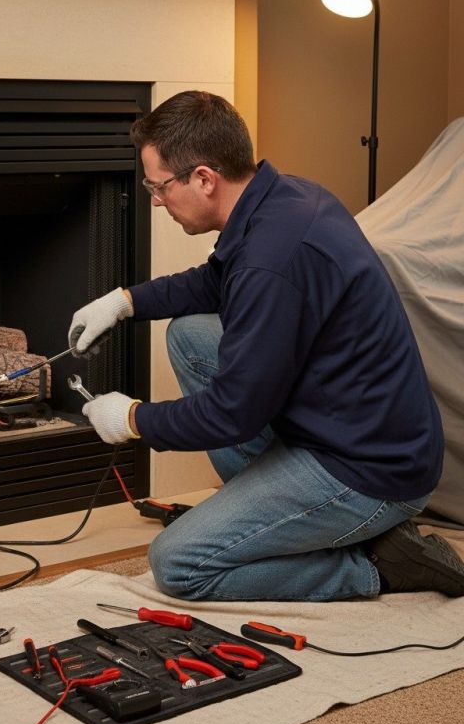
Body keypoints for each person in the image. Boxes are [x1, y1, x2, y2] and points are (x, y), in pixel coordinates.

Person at [67, 90, 464, 602]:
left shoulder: (270, 263)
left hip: (370, 470)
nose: (155, 200)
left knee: (179, 562)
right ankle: (277, 518)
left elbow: (231, 416)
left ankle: (375, 566)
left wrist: (133, 420)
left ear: (205, 178)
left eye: (158, 185)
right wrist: (123, 302)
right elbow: (215, 283)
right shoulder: (286, 197)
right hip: (350, 425)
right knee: (190, 335)